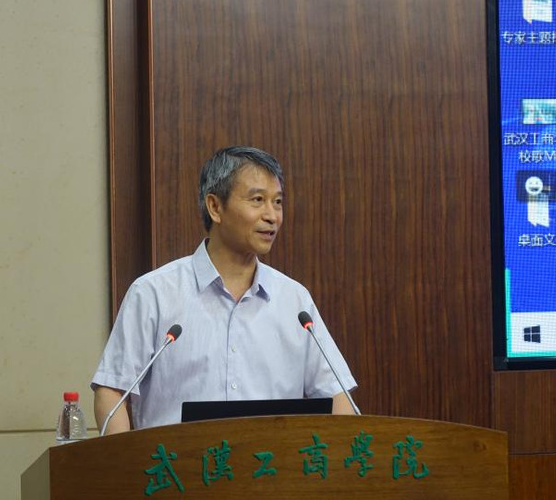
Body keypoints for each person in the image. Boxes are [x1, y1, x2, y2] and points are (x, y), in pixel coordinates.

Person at [91, 146, 357, 434]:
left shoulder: (294, 300)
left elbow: (337, 395)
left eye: (278, 202)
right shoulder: (154, 293)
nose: (272, 216)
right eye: (258, 200)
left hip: (271, 461)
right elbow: (112, 392)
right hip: (176, 463)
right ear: (215, 207)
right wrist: (127, 462)